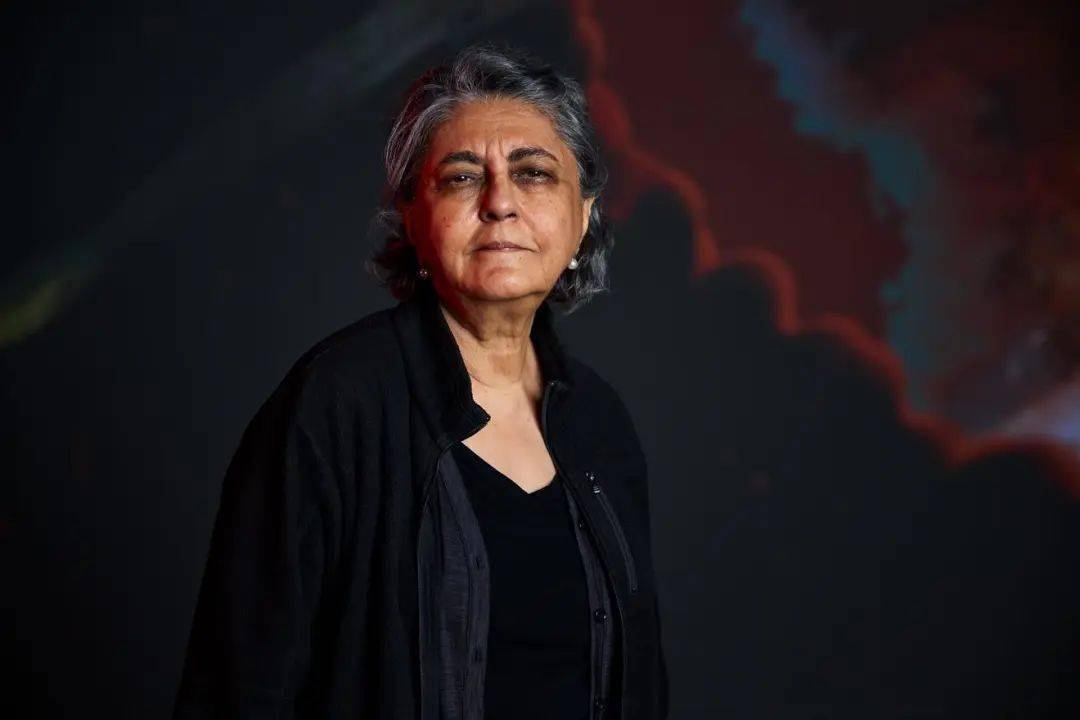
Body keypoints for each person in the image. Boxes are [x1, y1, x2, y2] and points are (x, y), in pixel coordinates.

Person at [173, 43, 669, 720]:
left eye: (533, 173)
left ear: (582, 217)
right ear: (411, 216)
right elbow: (238, 689)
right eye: (462, 177)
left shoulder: (601, 424)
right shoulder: (337, 402)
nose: (500, 202)